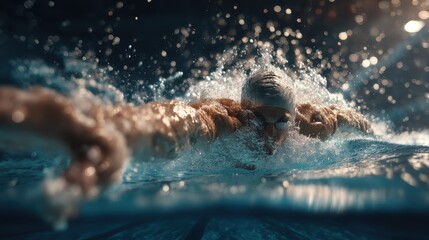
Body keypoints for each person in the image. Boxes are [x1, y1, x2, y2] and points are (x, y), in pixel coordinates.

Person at [0, 68, 371, 205]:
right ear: (245, 113)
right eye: (260, 121)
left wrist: (373, 130)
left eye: (280, 123)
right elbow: (185, 121)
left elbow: (348, 119)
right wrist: (115, 132)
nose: (269, 135)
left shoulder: (308, 124)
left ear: (292, 118)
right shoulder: (229, 120)